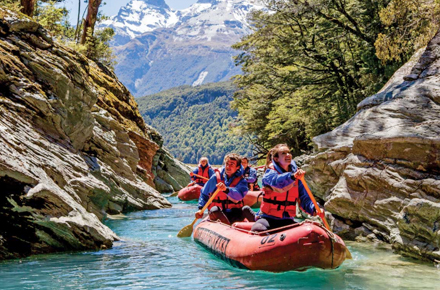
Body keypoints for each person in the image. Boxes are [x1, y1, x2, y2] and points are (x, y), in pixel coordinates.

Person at [251, 144, 323, 232]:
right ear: (276, 159)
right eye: (283, 153)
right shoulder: (269, 173)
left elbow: (305, 198)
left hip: (287, 219)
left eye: (288, 152)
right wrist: (292, 176)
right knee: (258, 229)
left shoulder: (297, 177)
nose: (288, 155)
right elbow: (277, 183)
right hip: (268, 218)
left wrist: (314, 208)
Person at [196, 153, 255, 225]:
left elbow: (239, 196)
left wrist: (226, 190)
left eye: (232, 164)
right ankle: (227, 227)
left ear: (238, 167)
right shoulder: (216, 178)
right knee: (214, 210)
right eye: (227, 164)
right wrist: (200, 208)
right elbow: (204, 194)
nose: (228, 167)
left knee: (246, 209)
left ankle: (260, 229)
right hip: (219, 213)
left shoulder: (241, 181)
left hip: (234, 213)